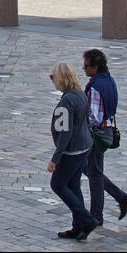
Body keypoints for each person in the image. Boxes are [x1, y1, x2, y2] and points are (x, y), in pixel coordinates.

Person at [81, 48, 127, 227]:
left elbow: (93, 117)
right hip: (108, 131)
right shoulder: (109, 80)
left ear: (95, 67)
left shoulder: (95, 86)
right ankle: (120, 197)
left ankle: (97, 215)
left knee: (93, 173)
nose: (84, 69)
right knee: (90, 170)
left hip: (97, 134)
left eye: (86, 66)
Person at [46, 61, 97, 240]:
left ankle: (86, 219)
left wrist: (55, 158)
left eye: (53, 79)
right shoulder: (80, 94)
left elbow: (64, 132)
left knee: (58, 184)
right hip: (84, 147)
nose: (53, 82)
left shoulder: (67, 100)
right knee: (73, 185)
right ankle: (78, 226)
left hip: (72, 151)